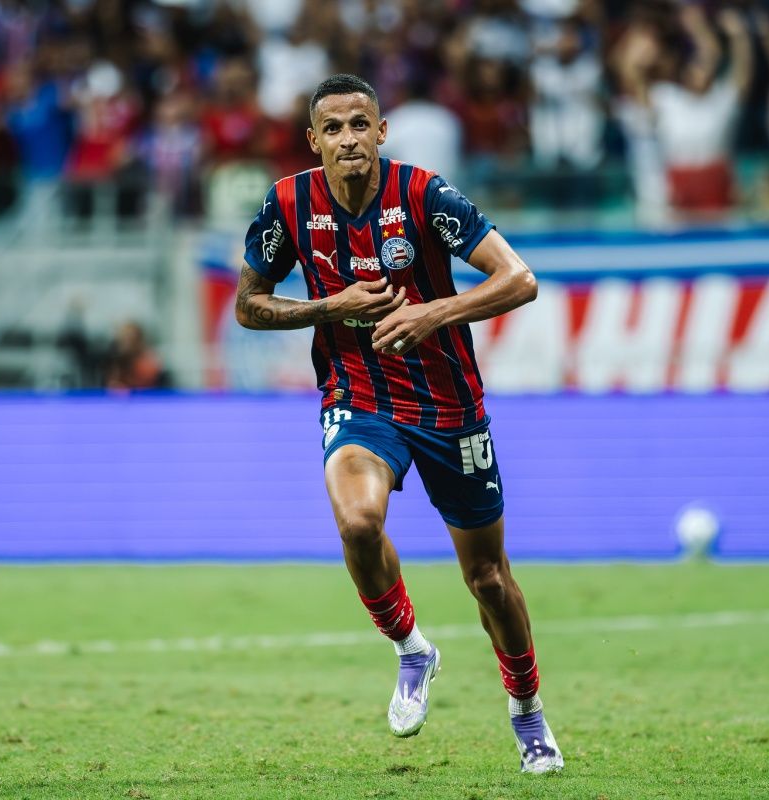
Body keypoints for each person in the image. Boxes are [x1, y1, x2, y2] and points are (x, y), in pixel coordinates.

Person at [234, 74, 562, 774]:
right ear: (313, 140)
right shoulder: (289, 203)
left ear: (382, 132)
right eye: (334, 127)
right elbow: (249, 305)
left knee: (491, 582)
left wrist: (430, 312)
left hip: (449, 406)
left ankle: (527, 709)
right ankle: (412, 648)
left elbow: (520, 279)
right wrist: (329, 307)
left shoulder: (423, 195)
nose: (349, 138)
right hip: (360, 396)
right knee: (357, 522)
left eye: (361, 124)